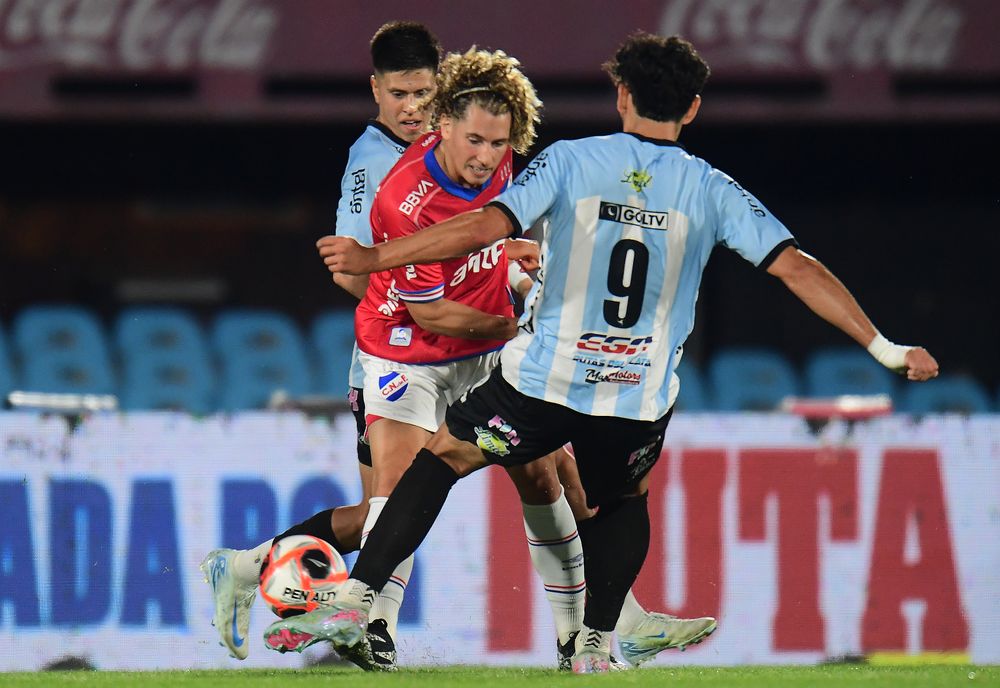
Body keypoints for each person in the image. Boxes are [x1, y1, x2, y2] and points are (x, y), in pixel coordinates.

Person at [283, 32, 940, 674]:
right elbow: (796, 266)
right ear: (692, 108)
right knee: (622, 500)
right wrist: (885, 346)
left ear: (621, 95)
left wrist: (375, 256)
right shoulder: (711, 187)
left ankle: (359, 598)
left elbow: (482, 225)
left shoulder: (571, 161)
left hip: (546, 380)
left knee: (444, 458)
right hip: (636, 391)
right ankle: (594, 648)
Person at [200, 20, 441, 666]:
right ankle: (377, 631)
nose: (410, 107)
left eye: (421, 92)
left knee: (379, 514)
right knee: (399, 502)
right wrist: (416, 318)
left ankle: (245, 567)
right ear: (375, 89)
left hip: (450, 353)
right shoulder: (372, 162)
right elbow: (349, 270)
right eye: (398, 94)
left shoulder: (451, 148)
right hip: (398, 357)